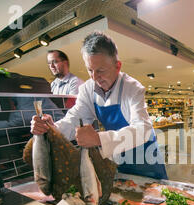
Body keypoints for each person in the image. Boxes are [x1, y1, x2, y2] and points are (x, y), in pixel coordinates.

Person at [32, 31, 167, 180]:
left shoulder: (132, 88)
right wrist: (52, 128)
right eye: (90, 70)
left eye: (101, 71)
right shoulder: (87, 89)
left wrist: (99, 139)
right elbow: (74, 118)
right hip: (120, 159)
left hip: (146, 160)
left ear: (118, 66)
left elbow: (144, 130)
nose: (95, 77)